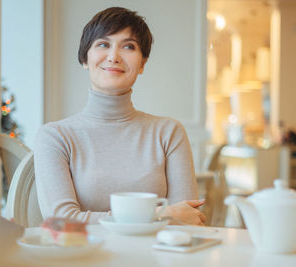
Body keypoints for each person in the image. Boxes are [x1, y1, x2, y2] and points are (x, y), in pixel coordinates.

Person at [34, 7, 206, 225]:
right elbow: (62, 221)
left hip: (156, 258)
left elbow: (188, 219)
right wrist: (160, 215)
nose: (114, 56)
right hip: (84, 258)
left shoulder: (168, 132)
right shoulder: (55, 136)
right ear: (85, 59)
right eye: (103, 44)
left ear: (142, 64)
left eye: (128, 46)